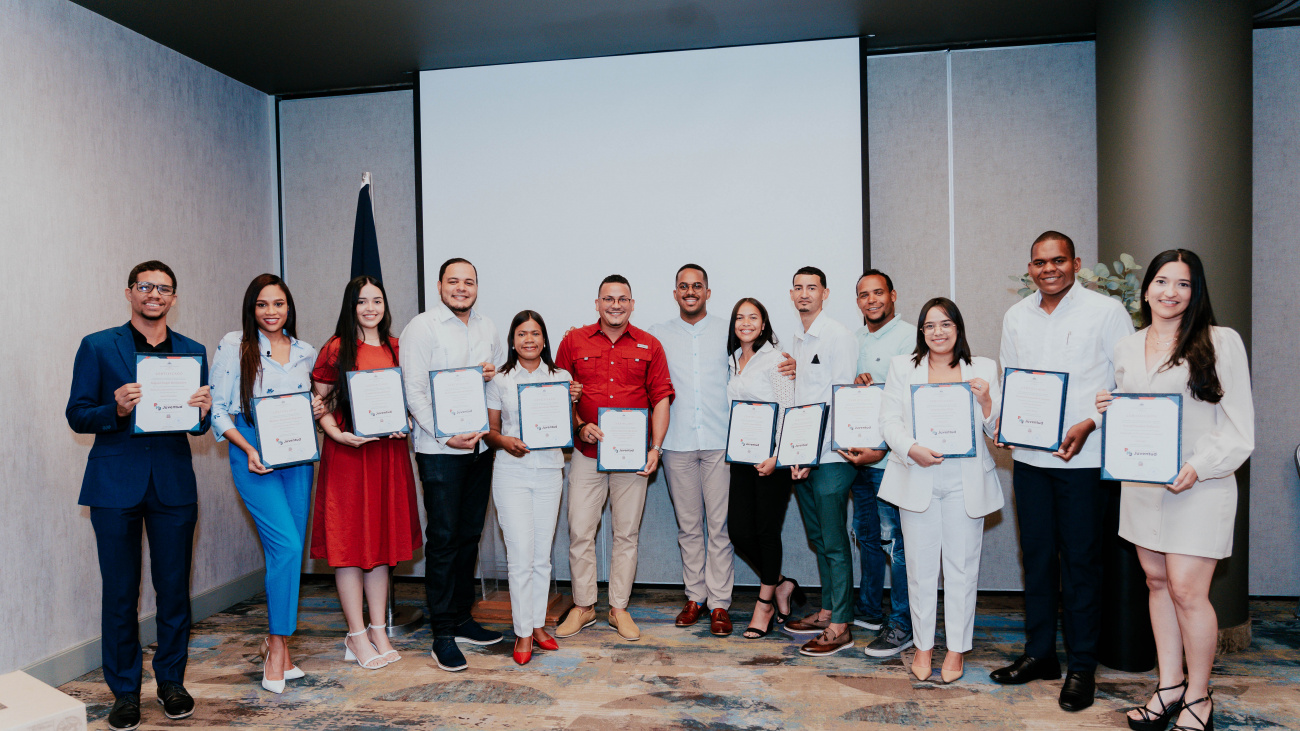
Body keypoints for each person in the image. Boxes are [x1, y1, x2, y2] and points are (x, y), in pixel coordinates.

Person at [1096, 249, 1253, 731]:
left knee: (1188, 591)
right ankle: (1169, 686)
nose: (1170, 292)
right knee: (1157, 583)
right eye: (1162, 281)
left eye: (1183, 284)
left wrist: (1199, 466)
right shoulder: (1127, 346)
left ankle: (1199, 696)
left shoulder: (1220, 342)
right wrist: (1109, 408)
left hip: (1198, 486)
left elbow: (1240, 427)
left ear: (1195, 292)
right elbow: (1136, 414)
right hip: (1143, 486)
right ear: (1146, 289)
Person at [992, 231, 1134, 712]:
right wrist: (1006, 423)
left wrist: (1092, 421)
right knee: (1035, 560)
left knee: (1080, 564)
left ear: (1075, 263)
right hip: (1030, 461)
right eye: (1038, 262)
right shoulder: (1016, 315)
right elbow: (1012, 378)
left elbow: (1126, 382)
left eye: (1057, 260)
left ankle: (1081, 666)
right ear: (1029, 268)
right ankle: (1039, 656)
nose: (1048, 269)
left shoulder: (1106, 312)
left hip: (1083, 459)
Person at [66, 261, 211, 730]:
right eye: (145, 287)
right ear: (129, 292)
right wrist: (116, 407)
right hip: (114, 486)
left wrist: (204, 412)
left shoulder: (192, 351)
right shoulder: (97, 345)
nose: (154, 294)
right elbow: (78, 414)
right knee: (120, 593)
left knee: (174, 591)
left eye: (164, 288)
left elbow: (199, 424)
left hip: (172, 484)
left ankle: (171, 682)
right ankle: (124, 692)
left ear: (173, 296)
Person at [877, 297, 1002, 684]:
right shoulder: (903, 367)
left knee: (962, 568)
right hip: (918, 475)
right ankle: (923, 644)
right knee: (919, 568)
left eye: (945, 324)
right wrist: (912, 448)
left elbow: (996, 431)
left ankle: (956, 649)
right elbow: (889, 420)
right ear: (921, 332)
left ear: (958, 328)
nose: (938, 332)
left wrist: (985, 401)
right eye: (930, 326)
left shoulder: (983, 368)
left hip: (966, 479)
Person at [210, 274, 324, 693]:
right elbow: (218, 410)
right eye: (262, 305)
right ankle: (276, 649)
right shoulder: (233, 345)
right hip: (252, 452)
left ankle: (278, 644)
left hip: (297, 456)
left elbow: (316, 400)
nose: (271, 312)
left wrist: (318, 404)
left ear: (288, 308)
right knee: (288, 546)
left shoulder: (305, 352)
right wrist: (247, 448)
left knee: (289, 553)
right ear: (251, 309)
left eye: (278, 304)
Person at [554, 274, 674, 642]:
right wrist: (578, 425)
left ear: (632, 304)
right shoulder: (572, 341)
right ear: (597, 303)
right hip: (587, 454)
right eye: (609, 298)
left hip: (632, 458)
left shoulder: (650, 345)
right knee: (580, 532)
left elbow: (662, 399)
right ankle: (585, 606)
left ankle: (618, 608)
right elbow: (558, 393)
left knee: (626, 534)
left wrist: (656, 448)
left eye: (623, 299)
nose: (616, 305)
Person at [311, 275, 422, 672]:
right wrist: (337, 435)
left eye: (377, 300)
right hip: (349, 457)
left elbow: (412, 399)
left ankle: (379, 629)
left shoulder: (397, 347)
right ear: (350, 306)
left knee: (380, 546)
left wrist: (405, 419)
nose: (370, 307)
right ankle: (356, 635)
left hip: (388, 457)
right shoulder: (336, 348)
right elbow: (317, 402)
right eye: (362, 301)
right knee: (350, 543)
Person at [399, 258, 505, 671]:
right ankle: (442, 631)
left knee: (468, 536)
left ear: (477, 287)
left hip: (478, 447)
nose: (462, 288)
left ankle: (462, 618)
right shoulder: (421, 327)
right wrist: (445, 435)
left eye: (469, 282)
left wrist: (492, 375)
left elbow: (493, 382)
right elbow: (413, 391)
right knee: (443, 540)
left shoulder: (488, 327)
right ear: (440, 284)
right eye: (454, 281)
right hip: (440, 451)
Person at [483, 311, 572, 666]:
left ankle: (538, 626)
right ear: (513, 340)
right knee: (519, 555)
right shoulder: (501, 380)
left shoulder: (561, 377)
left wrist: (574, 402)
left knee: (541, 557)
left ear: (544, 339)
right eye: (522, 334)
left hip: (550, 471)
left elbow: (569, 425)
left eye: (535, 334)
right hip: (511, 473)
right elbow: (489, 430)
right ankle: (522, 631)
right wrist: (505, 441)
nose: (529, 340)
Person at [649, 264, 733, 637]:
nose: (690, 291)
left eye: (697, 286)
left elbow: (757, 363)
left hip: (720, 441)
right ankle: (695, 597)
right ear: (675, 293)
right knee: (688, 527)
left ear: (708, 292)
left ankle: (719, 604)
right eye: (683, 286)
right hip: (676, 442)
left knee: (719, 527)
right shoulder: (657, 335)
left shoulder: (728, 330)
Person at [836, 269, 916, 658]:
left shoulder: (911, 337)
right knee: (864, 535)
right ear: (857, 302)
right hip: (859, 461)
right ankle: (869, 610)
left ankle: (904, 623)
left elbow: (911, 403)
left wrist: (883, 448)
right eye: (864, 295)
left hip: (892, 461)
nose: (871, 300)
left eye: (878, 293)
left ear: (893, 295)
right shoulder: (853, 340)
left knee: (896, 544)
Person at [781, 266, 860, 657]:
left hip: (830, 456)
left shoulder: (838, 336)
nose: (804, 294)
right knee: (818, 539)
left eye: (812, 288)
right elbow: (795, 401)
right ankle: (828, 610)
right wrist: (795, 454)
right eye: (798, 288)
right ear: (791, 293)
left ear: (825, 293)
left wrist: (810, 454)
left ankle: (842, 625)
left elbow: (840, 400)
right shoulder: (794, 338)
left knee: (833, 540)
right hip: (802, 457)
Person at [724, 297, 806, 639]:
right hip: (741, 459)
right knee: (739, 532)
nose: (746, 323)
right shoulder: (733, 360)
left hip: (772, 460)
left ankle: (764, 604)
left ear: (763, 323)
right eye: (740, 317)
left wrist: (777, 456)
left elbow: (789, 410)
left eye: (752, 317)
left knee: (766, 532)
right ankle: (783, 584)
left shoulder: (776, 360)